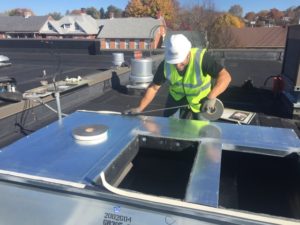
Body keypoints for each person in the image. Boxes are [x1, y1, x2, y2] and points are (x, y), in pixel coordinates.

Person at [124, 34, 231, 120]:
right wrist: (140, 108)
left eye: (180, 62)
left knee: (202, 133)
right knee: (169, 127)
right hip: (176, 99)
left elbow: (225, 77)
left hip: (201, 101)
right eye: (174, 62)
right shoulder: (165, 65)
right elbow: (153, 88)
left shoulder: (202, 59)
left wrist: (211, 97)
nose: (177, 66)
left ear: (188, 53)